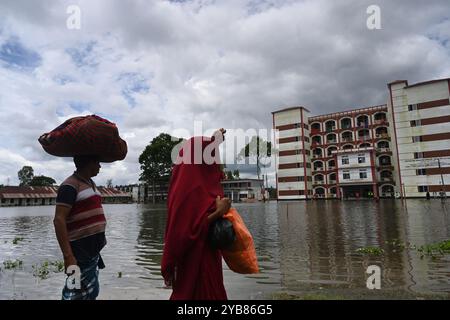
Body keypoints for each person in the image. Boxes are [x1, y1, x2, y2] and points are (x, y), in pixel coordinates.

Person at [161, 129, 231, 300]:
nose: (214, 162)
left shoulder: (200, 183)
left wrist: (215, 140)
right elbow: (183, 233)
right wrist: (218, 213)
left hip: (208, 257)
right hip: (194, 262)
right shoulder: (189, 190)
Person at [53, 155, 107, 300]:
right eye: (98, 162)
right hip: (79, 252)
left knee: (91, 291)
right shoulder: (69, 186)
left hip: (92, 251)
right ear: (89, 162)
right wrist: (68, 256)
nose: (100, 166)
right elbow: (59, 220)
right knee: (74, 292)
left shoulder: (90, 183)